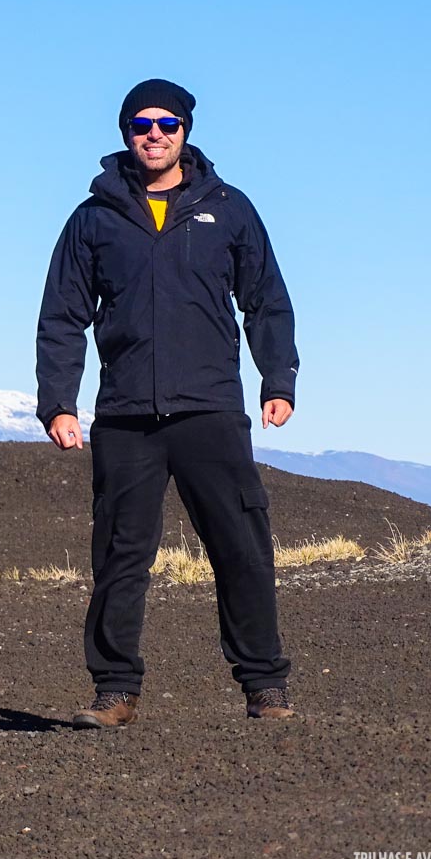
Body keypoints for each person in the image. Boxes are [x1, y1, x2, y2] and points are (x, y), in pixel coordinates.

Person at [35, 78, 299, 727]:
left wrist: (278, 380)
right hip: (126, 417)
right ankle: (114, 692)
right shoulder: (92, 218)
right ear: (125, 132)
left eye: (168, 124)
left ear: (186, 131)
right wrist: (58, 403)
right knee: (120, 557)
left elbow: (265, 297)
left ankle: (265, 688)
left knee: (242, 548)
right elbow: (62, 315)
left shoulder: (228, 208)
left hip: (209, 409)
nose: (154, 134)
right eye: (141, 124)